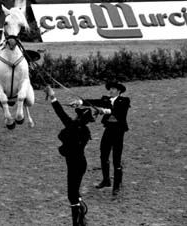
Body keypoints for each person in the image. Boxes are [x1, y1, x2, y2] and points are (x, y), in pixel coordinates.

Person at [44, 85, 95, 226]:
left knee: (71, 194)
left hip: (74, 164)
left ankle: (78, 220)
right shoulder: (85, 131)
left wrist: (53, 96)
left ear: (78, 117)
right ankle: (80, 215)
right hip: (80, 163)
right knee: (74, 193)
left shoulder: (72, 126)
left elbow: (60, 112)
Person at [70, 81, 130, 196]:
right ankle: (106, 180)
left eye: (113, 89)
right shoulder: (106, 100)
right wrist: (80, 102)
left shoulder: (125, 101)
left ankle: (117, 185)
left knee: (116, 158)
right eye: (110, 88)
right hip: (108, 130)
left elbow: (117, 112)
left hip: (118, 132)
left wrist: (103, 110)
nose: (111, 91)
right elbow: (93, 102)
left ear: (119, 91)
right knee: (103, 155)